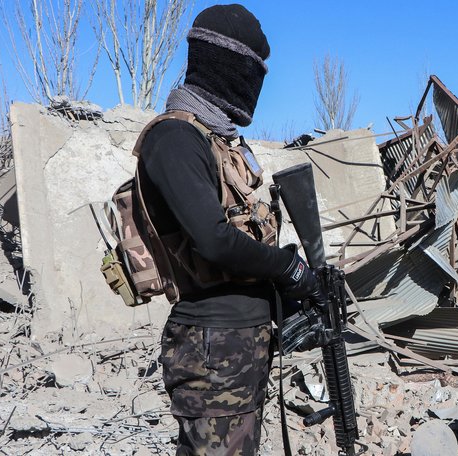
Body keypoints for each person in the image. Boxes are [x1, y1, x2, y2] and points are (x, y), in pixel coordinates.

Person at [134, 4, 319, 455]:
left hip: (237, 344)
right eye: (251, 72)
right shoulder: (175, 138)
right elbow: (214, 239)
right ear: (227, 64)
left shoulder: (214, 138)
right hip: (212, 345)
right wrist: (286, 267)